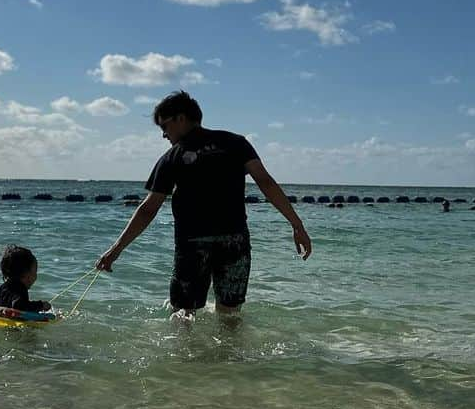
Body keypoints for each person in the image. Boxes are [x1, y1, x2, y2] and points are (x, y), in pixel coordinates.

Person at [95, 90, 312, 321]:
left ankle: (183, 357)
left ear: (181, 118)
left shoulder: (172, 158)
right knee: (230, 315)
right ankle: (229, 356)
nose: (164, 135)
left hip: (191, 244)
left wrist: (115, 250)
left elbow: (149, 209)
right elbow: (266, 182)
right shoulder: (236, 143)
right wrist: (297, 225)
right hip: (234, 240)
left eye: (164, 126)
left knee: (183, 313)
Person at [0, 244, 53, 312]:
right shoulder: (20, 288)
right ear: (27, 275)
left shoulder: (3, 287)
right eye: (35, 272)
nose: (36, 276)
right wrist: (41, 305)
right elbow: (20, 306)